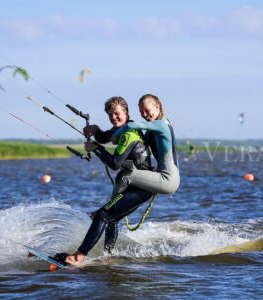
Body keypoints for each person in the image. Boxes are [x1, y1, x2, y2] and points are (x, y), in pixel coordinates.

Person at [59, 96, 153, 265]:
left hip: (141, 188)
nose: (113, 118)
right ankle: (108, 256)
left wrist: (95, 148)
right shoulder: (122, 129)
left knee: (103, 215)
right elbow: (104, 137)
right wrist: (95, 130)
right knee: (111, 219)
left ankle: (78, 257)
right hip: (136, 186)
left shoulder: (129, 134)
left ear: (126, 112)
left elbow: (115, 163)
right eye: (110, 115)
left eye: (116, 114)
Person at [111, 93, 180, 196]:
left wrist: (115, 135)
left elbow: (131, 125)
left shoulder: (161, 125)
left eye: (147, 110)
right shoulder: (152, 128)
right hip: (165, 176)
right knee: (129, 172)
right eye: (141, 111)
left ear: (158, 106)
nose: (144, 114)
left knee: (124, 176)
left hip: (168, 179)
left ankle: (109, 210)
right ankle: (116, 209)